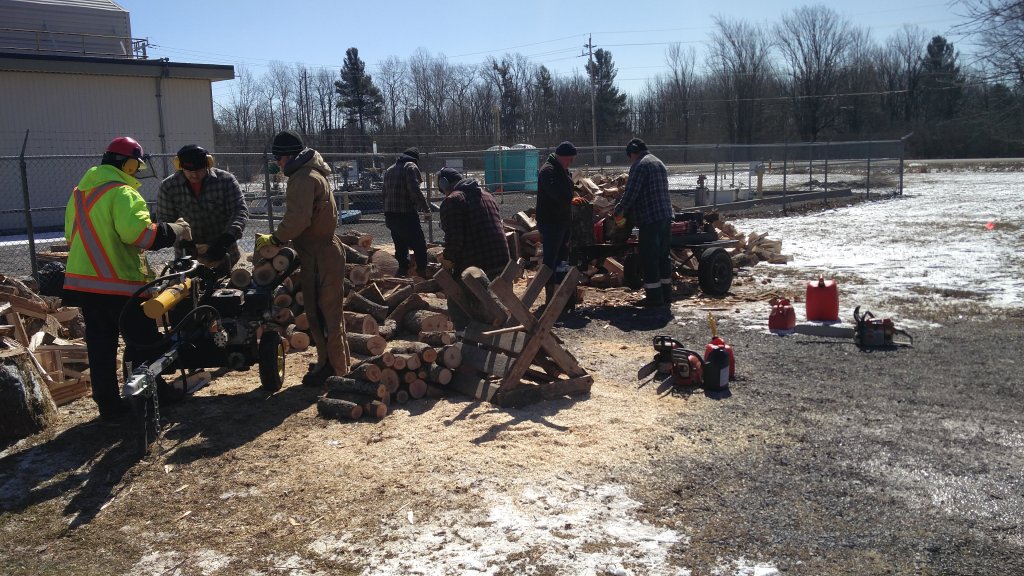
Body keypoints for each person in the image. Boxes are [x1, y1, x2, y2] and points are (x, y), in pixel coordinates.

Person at [62, 136, 193, 421]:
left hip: (85, 285)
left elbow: (71, 235)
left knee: (100, 346)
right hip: (119, 285)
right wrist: (176, 229)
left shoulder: (80, 193)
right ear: (129, 165)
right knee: (142, 342)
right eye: (136, 166)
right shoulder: (122, 193)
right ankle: (153, 395)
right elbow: (140, 235)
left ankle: (108, 405)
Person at [256, 130, 349, 387]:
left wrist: (277, 238)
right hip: (321, 251)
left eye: (278, 158)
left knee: (322, 314)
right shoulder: (312, 172)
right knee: (328, 312)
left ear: (286, 156)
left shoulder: (303, 178)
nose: (278, 164)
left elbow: (298, 218)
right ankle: (333, 363)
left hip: (319, 254)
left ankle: (333, 370)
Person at [436, 167, 511, 329]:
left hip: (477, 268)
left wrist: (447, 261)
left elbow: (454, 240)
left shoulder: (452, 201)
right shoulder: (488, 195)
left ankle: (464, 335)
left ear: (444, 184)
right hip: (503, 264)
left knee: (456, 299)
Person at [157, 144, 248, 275]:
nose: (194, 175)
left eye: (199, 170)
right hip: (187, 258)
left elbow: (239, 211)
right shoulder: (168, 187)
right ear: (180, 166)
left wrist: (227, 239)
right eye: (189, 171)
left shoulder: (226, 181)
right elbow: (165, 221)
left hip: (225, 254)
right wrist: (182, 242)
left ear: (208, 164)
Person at [613, 138, 673, 307]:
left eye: (630, 157)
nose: (630, 160)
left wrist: (618, 211)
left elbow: (631, 193)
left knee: (650, 257)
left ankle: (654, 297)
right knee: (663, 257)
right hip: (665, 216)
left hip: (650, 218)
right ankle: (666, 294)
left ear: (633, 152)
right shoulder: (658, 162)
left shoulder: (640, 165)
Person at [536, 141, 577, 304]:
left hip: (562, 221)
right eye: (570, 159)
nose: (571, 162)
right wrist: (570, 199)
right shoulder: (548, 171)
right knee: (551, 260)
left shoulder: (562, 170)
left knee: (562, 260)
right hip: (551, 222)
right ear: (562, 157)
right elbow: (558, 195)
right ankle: (551, 296)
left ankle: (562, 294)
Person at [382, 147, 429, 277]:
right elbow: (415, 191)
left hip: (390, 215)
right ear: (416, 159)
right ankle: (422, 273)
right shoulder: (410, 167)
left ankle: (402, 273)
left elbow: (384, 193)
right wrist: (426, 209)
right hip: (406, 214)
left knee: (400, 246)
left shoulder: (389, 169)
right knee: (419, 244)